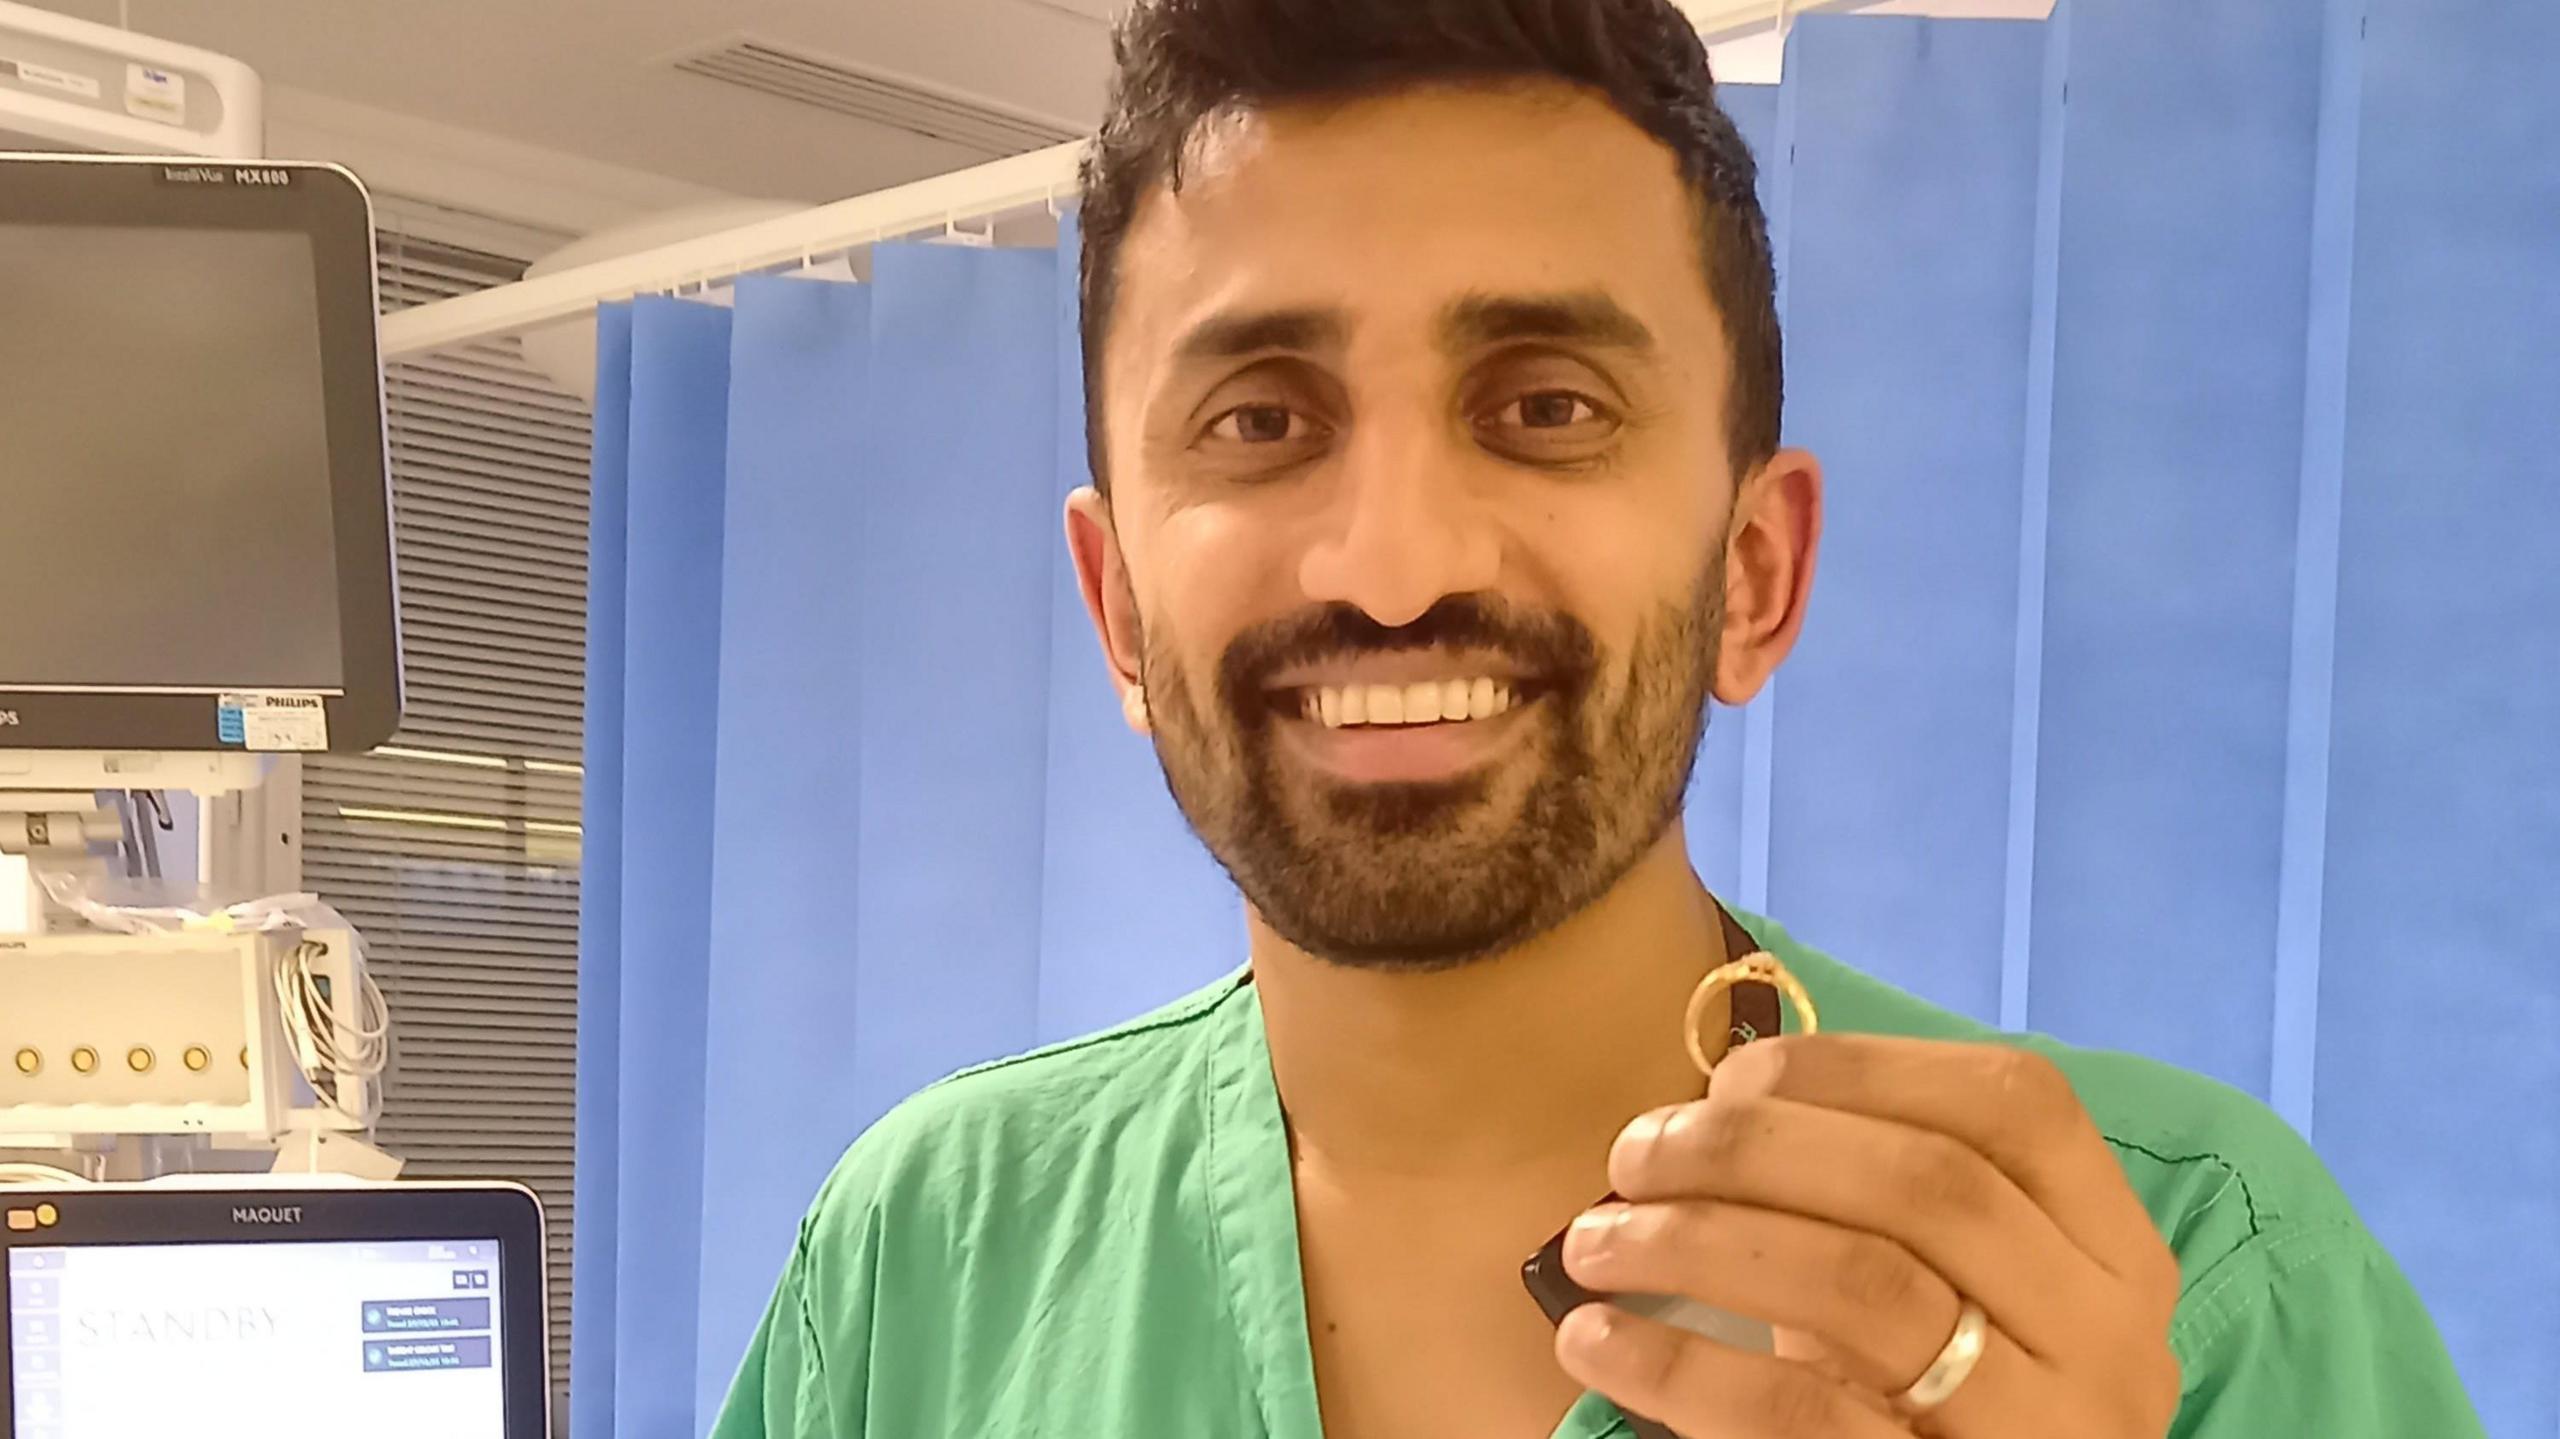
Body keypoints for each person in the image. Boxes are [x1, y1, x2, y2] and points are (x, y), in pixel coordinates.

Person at [711, 1, 2484, 1435]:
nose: (1394, 563)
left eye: (1545, 404)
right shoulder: (921, 1256)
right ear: (1115, 610)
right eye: (1260, 420)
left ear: (1755, 575)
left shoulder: (2196, 1274)